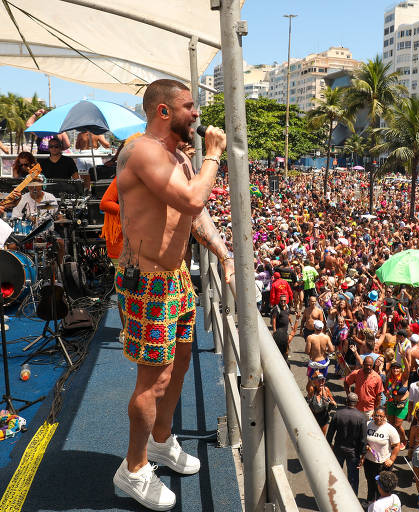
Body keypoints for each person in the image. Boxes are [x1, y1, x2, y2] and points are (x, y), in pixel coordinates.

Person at [111, 79, 232, 511]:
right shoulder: (142, 151)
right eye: (189, 106)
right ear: (164, 111)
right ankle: (134, 467)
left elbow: (194, 217)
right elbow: (193, 198)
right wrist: (214, 155)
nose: (196, 115)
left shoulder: (178, 155)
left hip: (178, 277)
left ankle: (161, 441)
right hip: (147, 282)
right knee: (154, 379)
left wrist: (224, 255)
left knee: (180, 365)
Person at [326, 393, 368, 496]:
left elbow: (330, 433)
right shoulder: (362, 417)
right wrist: (363, 455)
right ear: (357, 402)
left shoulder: (337, 414)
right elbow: (363, 439)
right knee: (353, 478)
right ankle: (353, 500)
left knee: (335, 475)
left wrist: (330, 446)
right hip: (353, 452)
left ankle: (335, 497)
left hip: (338, 449)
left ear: (346, 401)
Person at [363, 407, 401, 504]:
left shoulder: (389, 429)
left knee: (382, 486)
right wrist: (365, 446)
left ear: (385, 417)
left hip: (384, 464)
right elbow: (363, 440)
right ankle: (370, 503)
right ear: (373, 415)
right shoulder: (368, 425)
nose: (378, 418)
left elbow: (397, 445)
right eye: (376, 415)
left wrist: (391, 460)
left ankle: (382, 505)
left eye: (381, 416)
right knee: (370, 483)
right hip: (369, 461)